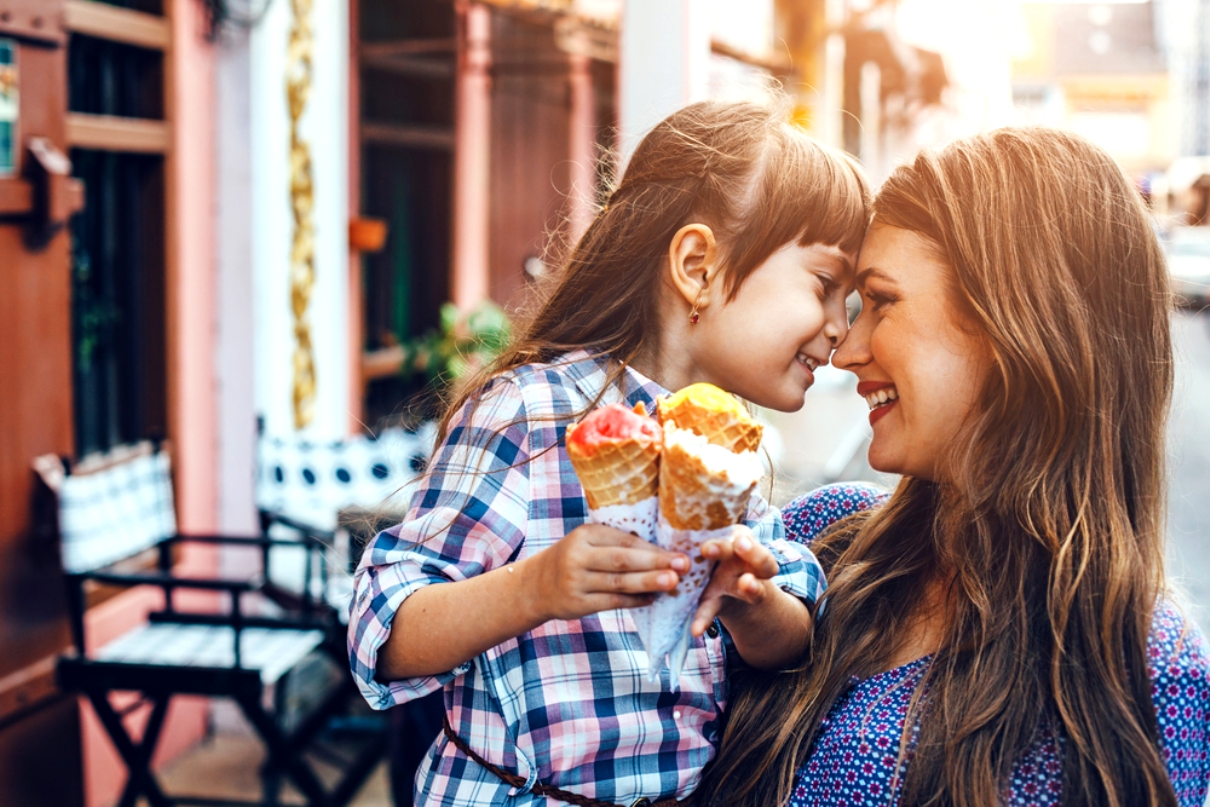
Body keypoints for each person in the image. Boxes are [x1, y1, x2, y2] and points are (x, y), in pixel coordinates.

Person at [347, 98, 870, 807]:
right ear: (697, 265)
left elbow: (796, 635)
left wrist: (751, 602)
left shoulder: (730, 445)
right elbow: (385, 631)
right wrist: (535, 588)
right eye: (825, 286)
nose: (842, 327)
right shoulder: (533, 413)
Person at [698, 127, 1210, 807]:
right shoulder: (819, 540)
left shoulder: (1149, 672)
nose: (844, 349)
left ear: (1015, 325)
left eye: (880, 301)